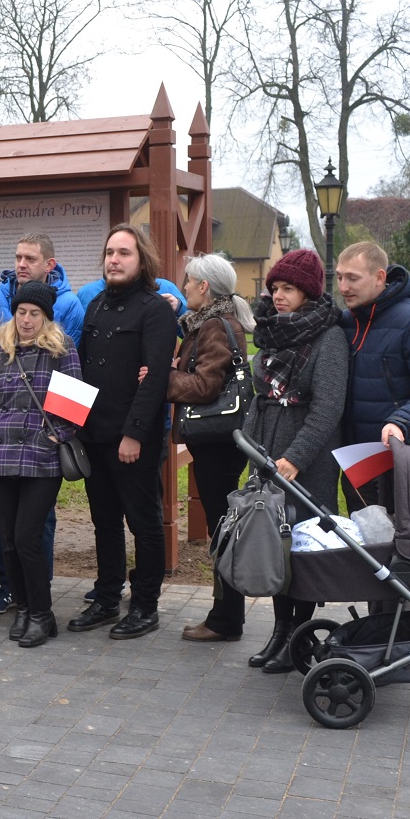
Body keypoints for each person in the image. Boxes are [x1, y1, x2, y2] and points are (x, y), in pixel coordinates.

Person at [237, 249, 347, 672]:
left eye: (289, 289)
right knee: (274, 546)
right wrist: (249, 443)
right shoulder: (270, 333)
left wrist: (295, 459)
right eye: (275, 288)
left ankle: (299, 637)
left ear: (308, 291)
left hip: (308, 462)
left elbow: (328, 407)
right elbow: (260, 395)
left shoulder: (328, 338)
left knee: (302, 549)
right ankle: (280, 631)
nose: (279, 296)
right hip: (265, 456)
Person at [68, 225, 178, 640]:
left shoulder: (155, 310)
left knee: (144, 523)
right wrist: (73, 425)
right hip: (94, 434)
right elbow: (82, 368)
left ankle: (146, 605)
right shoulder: (95, 304)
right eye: (110, 252)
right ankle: (108, 597)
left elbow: (154, 381)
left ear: (141, 259)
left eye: (124, 253)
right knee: (105, 521)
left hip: (133, 440)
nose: (114, 259)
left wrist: (133, 434)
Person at [0, 280, 83, 647]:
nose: (26, 320)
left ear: (46, 317)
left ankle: (42, 613)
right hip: (0, 454)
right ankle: (23, 608)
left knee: (27, 538)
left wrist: (59, 435)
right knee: (7, 538)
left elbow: (75, 403)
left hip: (41, 456)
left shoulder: (61, 348)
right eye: (21, 312)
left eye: (34, 314)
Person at [166, 254, 257, 644]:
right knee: (224, 528)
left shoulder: (215, 326)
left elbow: (205, 387)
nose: (183, 286)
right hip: (219, 442)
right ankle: (224, 615)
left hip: (218, 443)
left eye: (188, 281)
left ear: (204, 287)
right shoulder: (210, 322)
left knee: (223, 530)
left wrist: (164, 379)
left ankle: (225, 619)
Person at [335, 240, 410, 504]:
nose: (343, 287)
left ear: (380, 277)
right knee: (367, 539)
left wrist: (402, 422)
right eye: (340, 277)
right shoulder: (346, 322)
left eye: (352, 278)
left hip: (406, 456)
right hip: (358, 462)